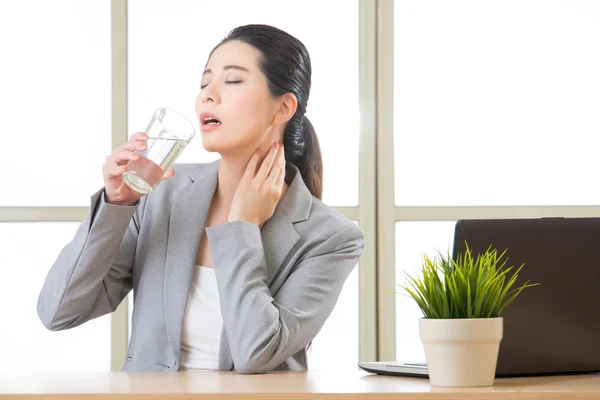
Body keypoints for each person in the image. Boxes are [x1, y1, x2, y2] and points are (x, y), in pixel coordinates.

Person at [37, 24, 364, 374]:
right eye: (204, 83)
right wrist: (116, 206)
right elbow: (59, 312)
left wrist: (241, 227)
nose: (208, 95)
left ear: (283, 107)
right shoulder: (160, 196)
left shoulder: (331, 236)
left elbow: (256, 353)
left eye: (233, 80)